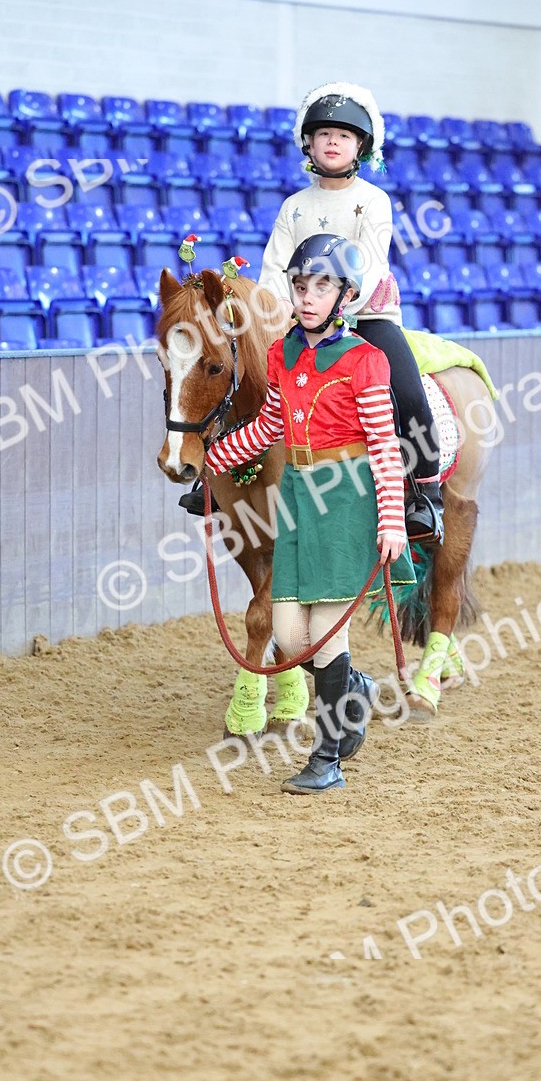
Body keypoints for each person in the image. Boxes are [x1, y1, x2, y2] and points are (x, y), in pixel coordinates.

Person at [204, 234, 415, 795]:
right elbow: (270, 425)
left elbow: (384, 444)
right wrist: (214, 458)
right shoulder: (280, 354)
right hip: (296, 492)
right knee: (290, 636)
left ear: (344, 295)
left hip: (346, 495)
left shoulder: (365, 361)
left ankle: (328, 758)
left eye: (322, 285)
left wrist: (391, 518)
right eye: (301, 285)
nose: (308, 296)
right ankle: (355, 690)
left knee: (324, 631)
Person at [258, 81, 444, 546]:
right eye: (324, 134)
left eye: (344, 134)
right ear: (309, 144)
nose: (334, 141)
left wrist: (333, 307)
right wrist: (287, 309)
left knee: (408, 393)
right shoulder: (293, 207)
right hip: (302, 318)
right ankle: (219, 477)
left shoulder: (373, 201)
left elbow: (370, 263)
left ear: (361, 145)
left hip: (368, 317)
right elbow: (273, 271)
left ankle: (425, 497)